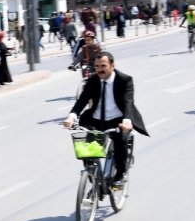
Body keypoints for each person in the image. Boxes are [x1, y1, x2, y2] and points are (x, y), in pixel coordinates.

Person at [63, 51, 148, 189]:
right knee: (86, 148)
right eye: (96, 66)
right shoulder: (93, 80)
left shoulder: (124, 80)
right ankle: (92, 175)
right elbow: (82, 100)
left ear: (112, 66)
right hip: (96, 120)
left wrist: (127, 120)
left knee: (120, 143)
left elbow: (128, 101)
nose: (99, 70)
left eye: (103, 66)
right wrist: (72, 116)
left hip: (118, 120)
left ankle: (119, 176)